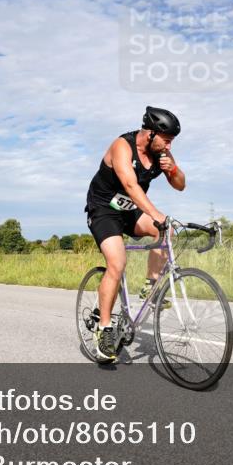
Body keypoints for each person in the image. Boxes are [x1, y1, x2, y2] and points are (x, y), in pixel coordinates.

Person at [84, 106, 185, 362]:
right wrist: (155, 213)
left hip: (130, 211)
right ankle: (104, 329)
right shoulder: (122, 146)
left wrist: (173, 169)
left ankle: (150, 286)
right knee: (117, 263)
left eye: (172, 141)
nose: (169, 146)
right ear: (150, 133)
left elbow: (180, 185)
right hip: (104, 210)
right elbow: (129, 185)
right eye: (166, 140)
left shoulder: (161, 152)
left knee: (166, 231)